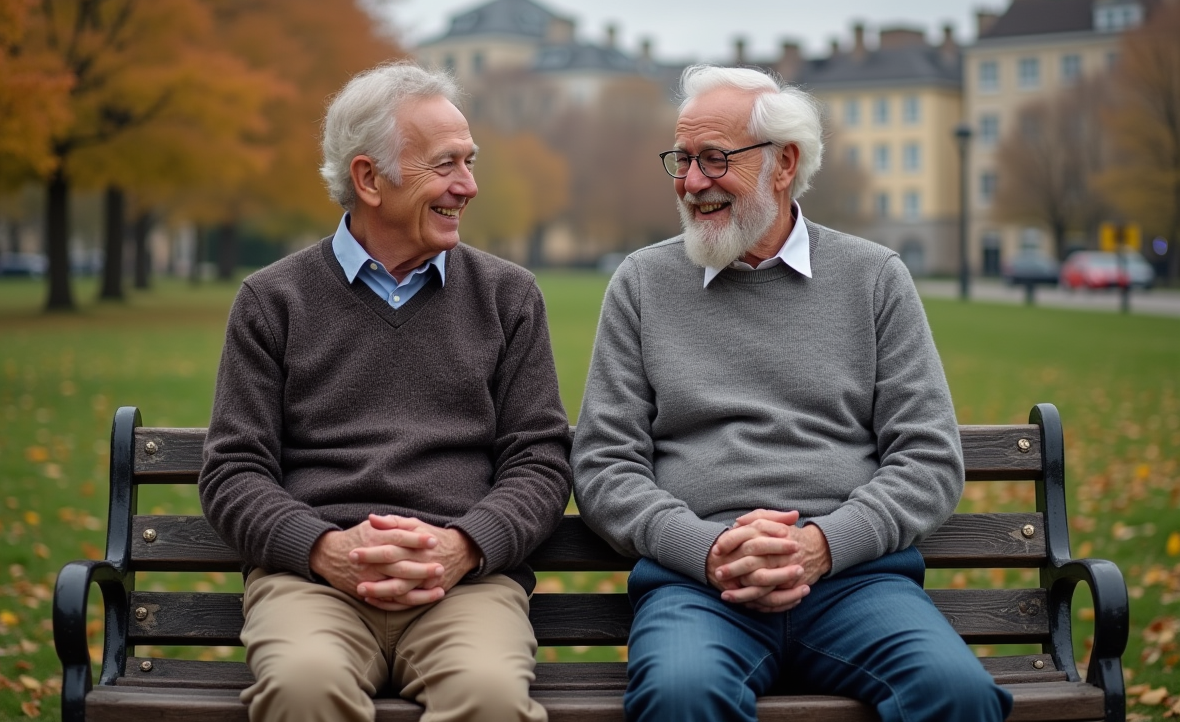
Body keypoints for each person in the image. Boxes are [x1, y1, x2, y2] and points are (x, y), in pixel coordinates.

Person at [571, 64, 1013, 722]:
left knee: (957, 694)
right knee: (681, 696)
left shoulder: (873, 279)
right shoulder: (642, 283)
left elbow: (927, 457)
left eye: (715, 159)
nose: (692, 183)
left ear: (784, 164)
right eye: (682, 160)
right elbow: (604, 464)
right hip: (697, 586)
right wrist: (707, 548)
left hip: (855, 583)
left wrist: (824, 546)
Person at [198, 62, 572, 722]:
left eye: (470, 162)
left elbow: (540, 462)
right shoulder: (272, 301)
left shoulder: (508, 298)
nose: (469, 186)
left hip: (466, 586)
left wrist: (462, 548)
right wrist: (325, 551)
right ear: (369, 178)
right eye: (446, 165)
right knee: (303, 686)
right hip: (313, 584)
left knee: (487, 696)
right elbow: (233, 472)